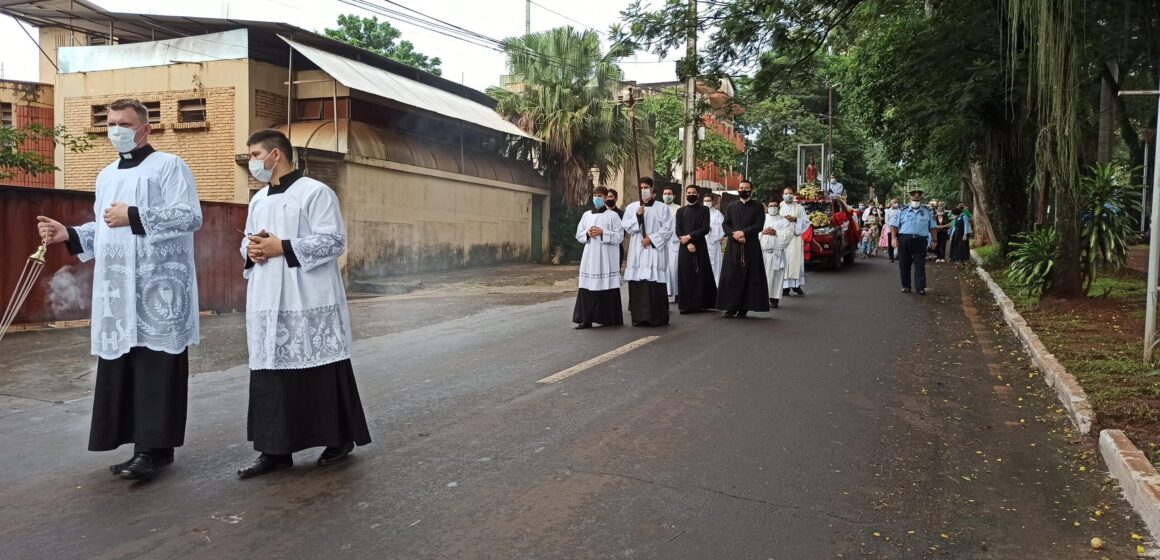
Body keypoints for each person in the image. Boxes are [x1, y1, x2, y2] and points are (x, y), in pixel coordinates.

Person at [36, 98, 202, 481]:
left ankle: (155, 450)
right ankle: (135, 444)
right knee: (125, 366)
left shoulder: (170, 166)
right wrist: (70, 233)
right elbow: (105, 224)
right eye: (110, 123)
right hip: (118, 287)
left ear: (145, 128)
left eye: (123, 123)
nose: (115, 130)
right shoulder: (107, 174)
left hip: (159, 285)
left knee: (155, 367)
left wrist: (135, 215)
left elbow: (190, 215)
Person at [236, 129, 371, 479]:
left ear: (275, 155)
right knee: (270, 370)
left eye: (254, 155)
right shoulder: (259, 199)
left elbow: (333, 241)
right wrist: (251, 251)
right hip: (268, 295)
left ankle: (338, 438)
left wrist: (284, 247)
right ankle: (274, 450)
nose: (252, 162)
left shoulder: (314, 191)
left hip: (308, 295)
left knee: (319, 365)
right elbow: (249, 241)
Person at [623, 177, 673, 326]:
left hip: (654, 251)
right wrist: (638, 217)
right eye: (641, 188)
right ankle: (639, 318)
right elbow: (627, 227)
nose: (643, 190)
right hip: (637, 250)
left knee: (654, 284)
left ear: (652, 190)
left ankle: (657, 318)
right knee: (639, 283)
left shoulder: (662, 207)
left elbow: (668, 229)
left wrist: (651, 238)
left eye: (646, 187)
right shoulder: (632, 207)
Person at [716, 180, 770, 318]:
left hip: (750, 245)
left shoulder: (757, 206)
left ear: (751, 190)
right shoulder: (731, 206)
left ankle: (744, 308)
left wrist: (744, 232)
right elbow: (725, 224)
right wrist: (735, 234)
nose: (743, 190)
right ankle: (730, 307)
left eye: (746, 188)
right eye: (741, 188)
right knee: (731, 276)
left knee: (748, 277)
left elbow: (759, 225)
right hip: (733, 246)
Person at [572, 186, 624, 329]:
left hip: (607, 257)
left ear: (606, 197)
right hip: (590, 257)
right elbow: (578, 234)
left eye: (600, 195)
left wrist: (603, 232)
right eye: (595, 195)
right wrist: (588, 233)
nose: (597, 198)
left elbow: (620, 236)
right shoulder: (586, 215)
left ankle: (609, 318)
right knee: (587, 287)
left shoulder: (613, 216)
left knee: (606, 286)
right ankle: (586, 319)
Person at [674, 186, 717, 313]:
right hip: (684, 246)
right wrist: (687, 243)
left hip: (699, 245)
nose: (691, 194)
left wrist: (690, 237)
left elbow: (704, 228)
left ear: (698, 195)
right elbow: (678, 229)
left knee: (699, 274)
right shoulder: (680, 211)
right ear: (685, 194)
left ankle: (699, 303)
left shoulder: (704, 210)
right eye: (688, 193)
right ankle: (686, 305)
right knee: (685, 275)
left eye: (693, 192)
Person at [890, 188, 939, 295]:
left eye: (918, 195)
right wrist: (893, 238)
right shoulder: (902, 211)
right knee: (904, 263)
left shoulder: (927, 212)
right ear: (909, 197)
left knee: (920, 264)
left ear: (921, 197)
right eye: (914, 195)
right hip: (904, 239)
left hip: (920, 241)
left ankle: (920, 287)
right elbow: (894, 225)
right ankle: (906, 286)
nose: (916, 197)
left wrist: (934, 240)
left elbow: (933, 227)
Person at [760, 199, 793, 308]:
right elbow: (754, 232)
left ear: (778, 208)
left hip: (776, 254)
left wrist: (776, 232)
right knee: (762, 277)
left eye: (775, 206)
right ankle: (761, 298)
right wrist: (763, 232)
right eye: (770, 206)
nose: (772, 208)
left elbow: (789, 235)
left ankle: (774, 299)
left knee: (776, 277)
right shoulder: (761, 219)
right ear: (767, 207)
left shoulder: (784, 221)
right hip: (762, 253)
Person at [779, 186, 810, 296]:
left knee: (796, 262)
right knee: (783, 262)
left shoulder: (799, 208)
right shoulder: (779, 207)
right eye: (786, 193)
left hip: (794, 238)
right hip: (782, 238)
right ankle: (784, 287)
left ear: (794, 195)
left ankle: (796, 286)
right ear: (783, 195)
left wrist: (796, 219)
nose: (789, 195)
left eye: (791, 193)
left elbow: (806, 222)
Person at [662, 186, 681, 302]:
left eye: (669, 193)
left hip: (674, 242)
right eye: (665, 193)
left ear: (673, 196)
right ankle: (665, 292)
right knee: (664, 268)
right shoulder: (659, 208)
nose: (667, 195)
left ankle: (678, 293)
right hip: (662, 242)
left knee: (675, 268)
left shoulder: (679, 209)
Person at [703, 193, 725, 286]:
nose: (707, 202)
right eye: (705, 201)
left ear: (712, 201)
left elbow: (723, 228)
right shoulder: (700, 213)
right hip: (701, 243)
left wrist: (711, 229)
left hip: (713, 244)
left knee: (714, 266)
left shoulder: (717, 214)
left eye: (708, 200)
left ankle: (716, 285)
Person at [605, 188, 626, 266]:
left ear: (616, 198)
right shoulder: (601, 214)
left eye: (610, 197)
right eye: (606, 197)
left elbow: (622, 233)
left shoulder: (621, 214)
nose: (608, 199)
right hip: (603, 249)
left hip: (616, 248)